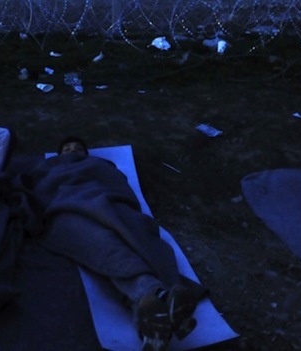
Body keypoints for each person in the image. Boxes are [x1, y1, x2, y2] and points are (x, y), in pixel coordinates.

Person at [55, 137, 200, 351]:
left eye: (79, 148)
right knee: (102, 242)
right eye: (67, 149)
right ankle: (158, 297)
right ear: (59, 156)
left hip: (107, 203)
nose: (73, 151)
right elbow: (40, 187)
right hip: (70, 206)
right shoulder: (49, 167)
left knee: (137, 236)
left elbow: (117, 184)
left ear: (87, 155)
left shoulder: (100, 166)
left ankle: (153, 323)